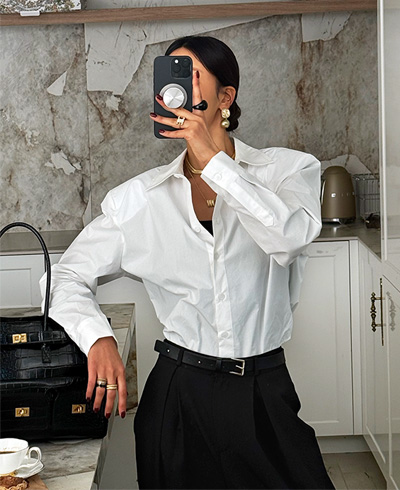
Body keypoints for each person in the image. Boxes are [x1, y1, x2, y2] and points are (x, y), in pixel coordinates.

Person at [40, 35, 335, 489]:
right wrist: (97, 338)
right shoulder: (140, 199)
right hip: (178, 396)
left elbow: (289, 239)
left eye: (193, 74)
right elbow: (62, 276)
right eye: (171, 73)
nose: (178, 84)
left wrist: (212, 160)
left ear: (225, 97)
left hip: (262, 390)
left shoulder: (287, 172)